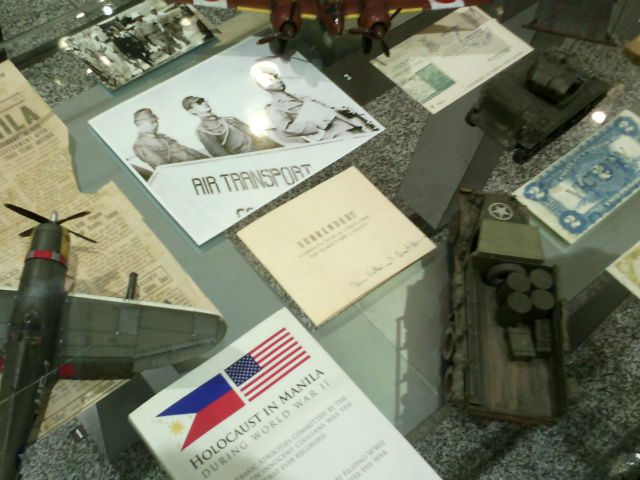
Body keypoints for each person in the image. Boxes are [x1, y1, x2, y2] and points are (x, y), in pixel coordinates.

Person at [249, 61, 377, 145]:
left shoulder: (299, 96)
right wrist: (318, 124)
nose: (278, 80)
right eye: (270, 79)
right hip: (330, 133)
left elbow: (324, 107)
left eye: (276, 76)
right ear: (263, 86)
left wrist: (338, 109)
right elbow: (288, 129)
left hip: (344, 122)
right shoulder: (273, 108)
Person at [182, 96, 281, 156]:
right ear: (191, 111)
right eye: (199, 103)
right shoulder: (203, 131)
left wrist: (279, 147)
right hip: (253, 159)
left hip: (270, 150)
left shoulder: (230, 119)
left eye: (203, 100)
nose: (204, 103)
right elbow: (222, 156)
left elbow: (259, 136)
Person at [133, 108, 207, 169]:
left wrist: (207, 159)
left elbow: (186, 149)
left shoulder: (162, 137)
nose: (156, 124)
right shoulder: (140, 146)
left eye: (156, 121)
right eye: (152, 122)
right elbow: (164, 168)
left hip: (202, 165)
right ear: (139, 124)